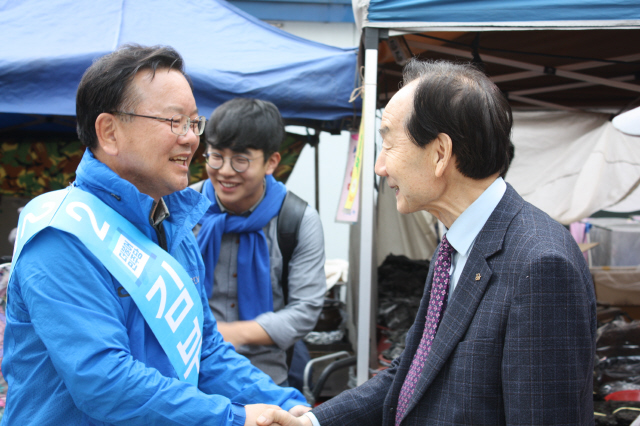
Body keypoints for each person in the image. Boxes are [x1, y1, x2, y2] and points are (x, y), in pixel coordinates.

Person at [257, 59, 596, 426]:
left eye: (388, 144)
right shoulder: (454, 246)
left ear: (439, 153)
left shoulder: (541, 264)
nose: (379, 166)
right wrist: (311, 423)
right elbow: (412, 371)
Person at [2, 44, 310, 426]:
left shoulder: (172, 223)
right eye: (173, 121)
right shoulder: (62, 235)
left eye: (195, 123)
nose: (190, 139)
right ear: (109, 131)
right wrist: (235, 418)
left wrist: (289, 405)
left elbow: (204, 351)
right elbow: (104, 381)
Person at [193, 98, 326, 386]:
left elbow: (305, 310)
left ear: (271, 162)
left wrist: (228, 333)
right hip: (190, 377)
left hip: (264, 381)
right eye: (216, 156)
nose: (225, 171)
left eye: (241, 159)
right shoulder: (182, 210)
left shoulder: (297, 220)